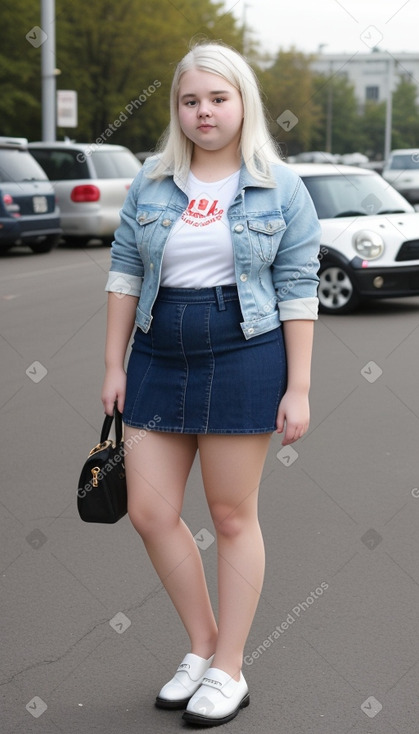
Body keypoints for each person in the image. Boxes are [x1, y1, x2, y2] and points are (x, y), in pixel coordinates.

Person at [101, 41, 321, 727]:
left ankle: (230, 666)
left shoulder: (279, 187)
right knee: (149, 511)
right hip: (157, 353)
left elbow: (294, 287)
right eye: (190, 100)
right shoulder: (151, 181)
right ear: (177, 108)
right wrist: (112, 364)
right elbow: (125, 274)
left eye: (217, 99)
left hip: (243, 348)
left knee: (230, 516)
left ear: (241, 103)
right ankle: (200, 647)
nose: (203, 112)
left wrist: (299, 386)